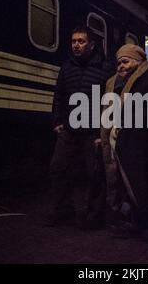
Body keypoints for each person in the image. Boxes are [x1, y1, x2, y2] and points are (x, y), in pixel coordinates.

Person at [46, 26, 113, 229]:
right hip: (69, 128)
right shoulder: (67, 67)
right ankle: (62, 212)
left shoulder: (105, 67)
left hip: (92, 130)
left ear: (91, 45)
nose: (76, 45)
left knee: (94, 174)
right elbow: (59, 95)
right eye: (74, 41)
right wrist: (57, 121)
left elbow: (109, 100)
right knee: (58, 168)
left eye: (81, 41)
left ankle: (94, 217)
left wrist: (103, 130)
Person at [101, 44, 148, 241]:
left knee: (141, 183)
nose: (121, 66)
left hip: (141, 141)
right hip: (119, 140)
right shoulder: (114, 83)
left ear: (137, 62)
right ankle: (134, 223)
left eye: (126, 61)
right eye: (119, 62)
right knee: (125, 185)